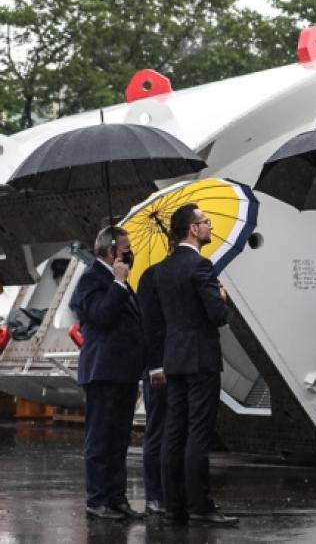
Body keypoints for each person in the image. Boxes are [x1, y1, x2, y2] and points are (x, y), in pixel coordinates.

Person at [158, 203, 238, 526]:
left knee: (174, 432)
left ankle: (174, 506)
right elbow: (216, 316)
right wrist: (222, 298)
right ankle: (200, 506)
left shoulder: (163, 269)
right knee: (199, 432)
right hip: (201, 359)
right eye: (205, 221)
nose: (210, 226)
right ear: (193, 229)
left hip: (175, 358)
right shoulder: (201, 266)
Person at [69, 226, 146, 521]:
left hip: (124, 371)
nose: (130, 254)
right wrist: (118, 283)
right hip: (103, 371)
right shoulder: (91, 279)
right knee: (100, 439)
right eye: (125, 249)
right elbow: (101, 316)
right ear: (111, 251)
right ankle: (97, 500)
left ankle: (117, 498)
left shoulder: (120, 282)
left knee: (118, 439)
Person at [135, 235, 175, 517]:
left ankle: (171, 492)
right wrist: (155, 366)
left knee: (174, 430)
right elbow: (149, 325)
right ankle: (154, 495)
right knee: (158, 429)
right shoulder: (151, 277)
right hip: (160, 366)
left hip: (181, 364)